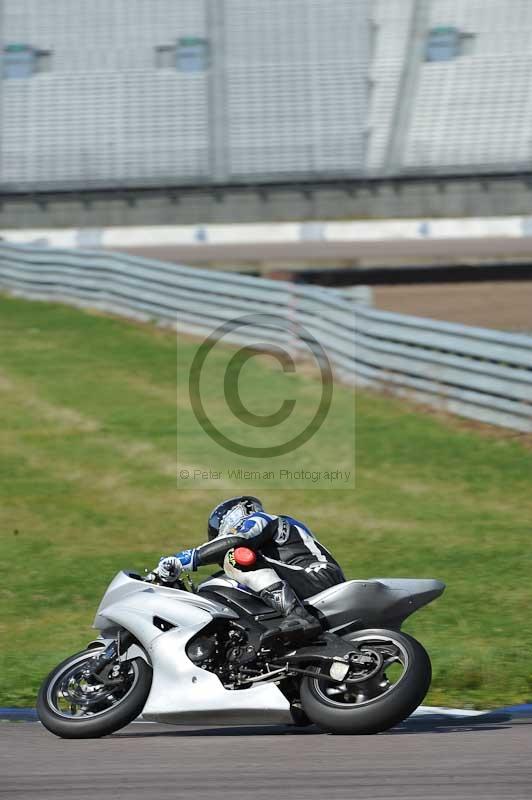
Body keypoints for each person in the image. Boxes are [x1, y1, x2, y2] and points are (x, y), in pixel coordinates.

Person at [154, 496, 345, 642]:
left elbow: (238, 539)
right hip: (306, 579)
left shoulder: (262, 519)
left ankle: (298, 615)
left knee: (235, 557)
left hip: (317, 576)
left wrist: (183, 560)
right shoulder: (270, 543)